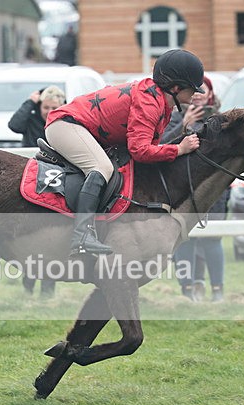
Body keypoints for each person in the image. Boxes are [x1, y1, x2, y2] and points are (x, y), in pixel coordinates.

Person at [44, 48, 204, 256]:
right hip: (64, 125)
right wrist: (179, 149)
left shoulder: (159, 101)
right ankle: (81, 235)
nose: (195, 93)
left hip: (77, 126)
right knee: (102, 167)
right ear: (175, 87)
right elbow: (140, 151)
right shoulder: (150, 103)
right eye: (192, 88)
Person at [161, 76, 228, 302]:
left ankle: (217, 289)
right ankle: (188, 290)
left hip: (213, 190)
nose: (198, 95)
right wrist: (183, 125)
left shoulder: (222, 120)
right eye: (195, 91)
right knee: (183, 239)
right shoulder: (174, 116)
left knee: (212, 239)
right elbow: (160, 145)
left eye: (203, 91)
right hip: (182, 190)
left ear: (211, 94)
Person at [8, 85, 66, 296]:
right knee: (30, 235)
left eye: (54, 108)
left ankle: (48, 289)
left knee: (51, 236)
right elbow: (14, 125)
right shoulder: (31, 118)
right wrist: (29, 102)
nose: (49, 112)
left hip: (55, 181)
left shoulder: (65, 121)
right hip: (31, 179)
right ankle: (28, 285)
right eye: (46, 107)